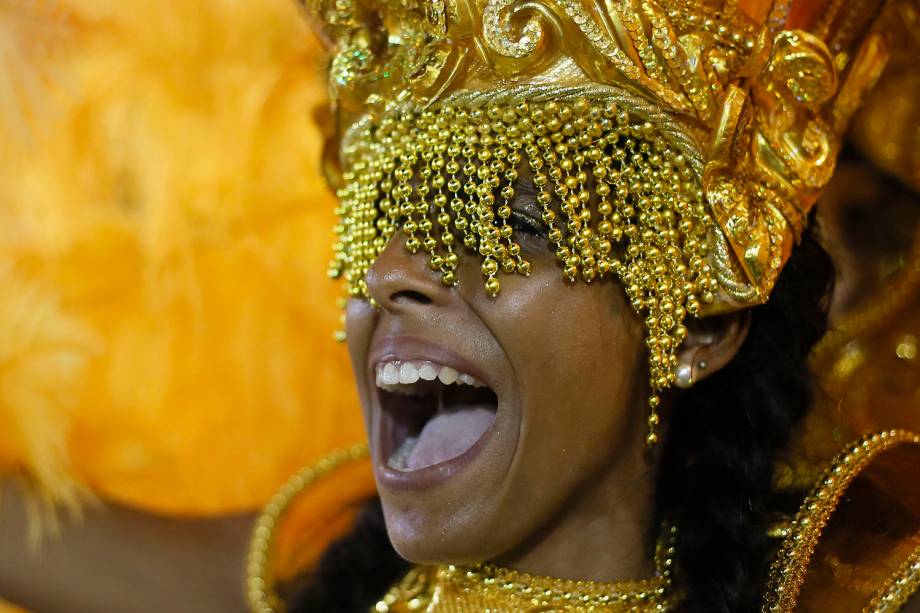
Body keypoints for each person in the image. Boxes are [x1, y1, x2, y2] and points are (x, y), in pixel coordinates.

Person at [247, 0, 920, 611]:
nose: (392, 271)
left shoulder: (849, 589)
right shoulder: (309, 581)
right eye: (385, 218)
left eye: (509, 226)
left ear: (698, 325)